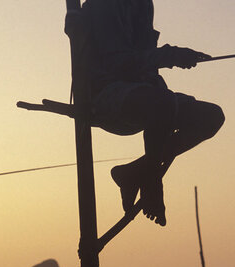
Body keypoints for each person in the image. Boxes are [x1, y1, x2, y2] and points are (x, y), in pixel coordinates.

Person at [83, 0, 225, 226]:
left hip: (148, 97)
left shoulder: (143, 4)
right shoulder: (102, 5)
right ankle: (152, 182)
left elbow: (146, 65)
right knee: (163, 101)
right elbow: (118, 63)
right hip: (104, 95)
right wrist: (171, 56)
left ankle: (135, 172)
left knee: (211, 116)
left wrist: (166, 68)